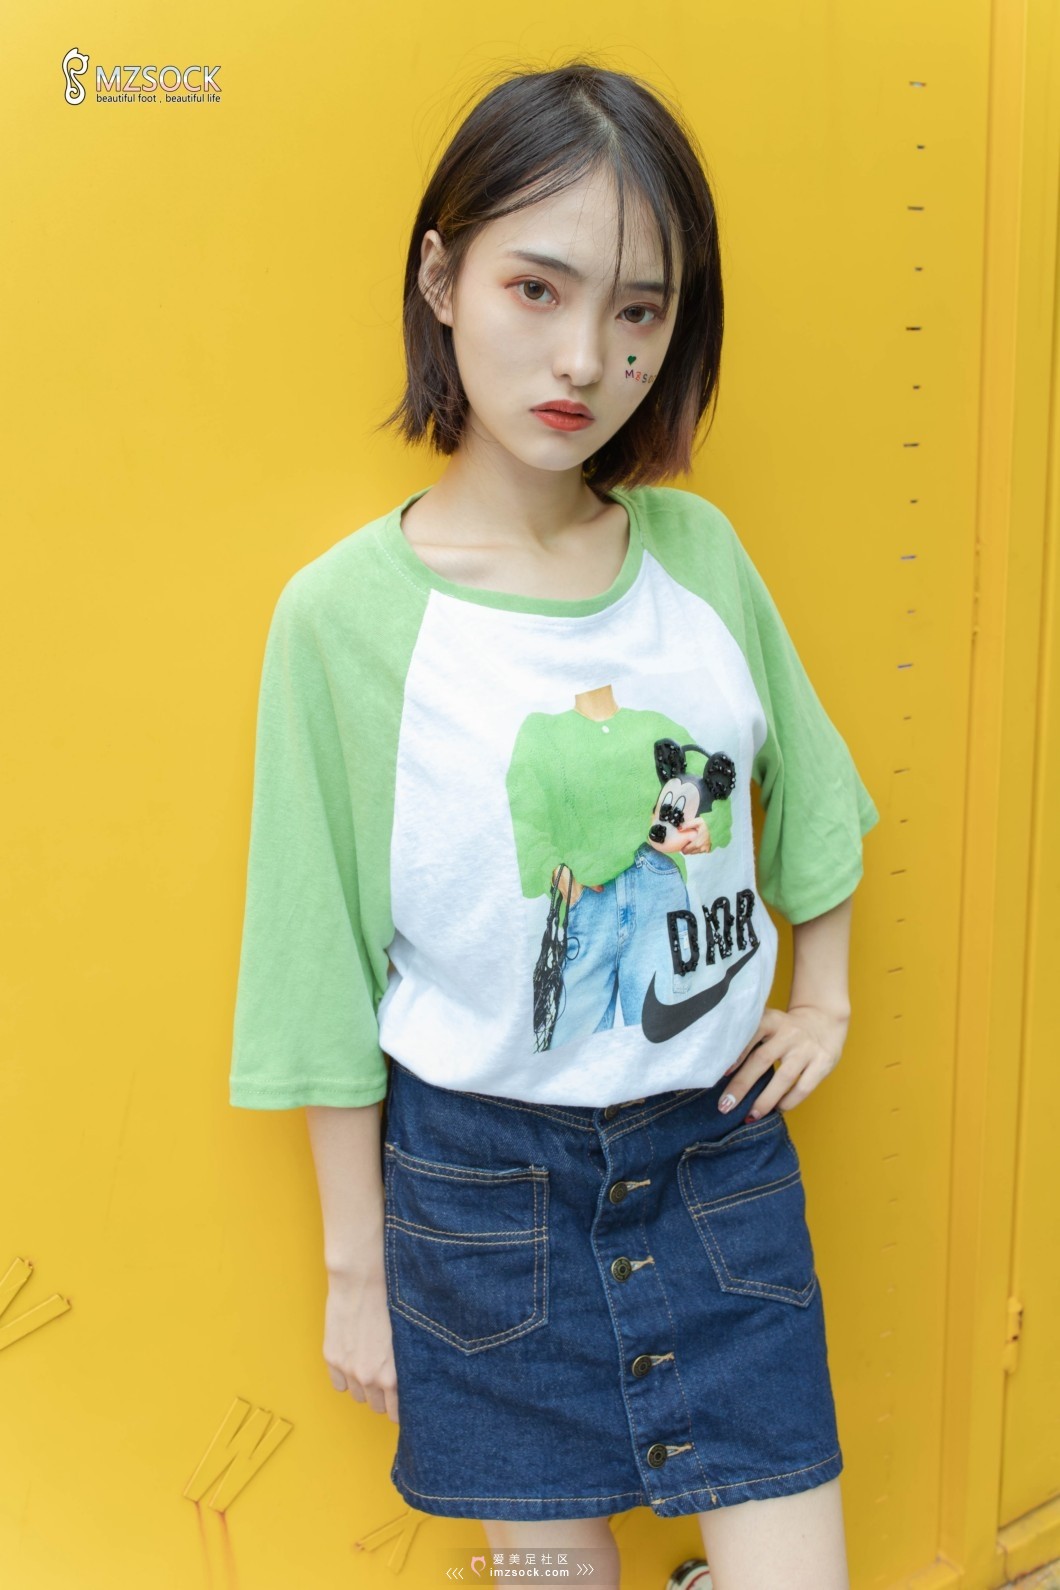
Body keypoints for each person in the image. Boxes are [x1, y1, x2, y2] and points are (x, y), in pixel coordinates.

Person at [229, 59, 879, 1590]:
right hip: (479, 1202)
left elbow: (817, 797)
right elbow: (316, 965)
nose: (588, 355)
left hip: (717, 1172)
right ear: (441, 280)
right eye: (538, 286)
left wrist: (828, 993)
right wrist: (355, 1269)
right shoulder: (343, 619)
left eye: (640, 309)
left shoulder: (699, 560)